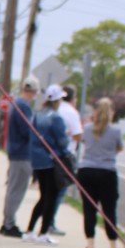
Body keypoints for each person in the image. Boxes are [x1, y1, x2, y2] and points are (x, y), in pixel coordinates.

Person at [23, 85, 71, 245]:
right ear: (58, 100)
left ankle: (30, 230)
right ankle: (43, 233)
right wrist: (66, 148)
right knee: (51, 197)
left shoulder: (37, 115)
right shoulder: (56, 118)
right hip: (52, 161)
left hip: (38, 161)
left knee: (44, 197)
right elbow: (62, 142)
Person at [78, 97, 124, 248]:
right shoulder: (116, 131)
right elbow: (119, 148)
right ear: (111, 112)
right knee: (109, 209)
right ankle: (113, 244)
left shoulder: (87, 129)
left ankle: (90, 243)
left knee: (89, 208)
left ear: (95, 112)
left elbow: (84, 142)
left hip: (87, 170)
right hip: (107, 171)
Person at [0, 74, 40, 237]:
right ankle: (8, 224)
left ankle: (8, 222)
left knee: (13, 188)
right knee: (17, 189)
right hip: (21, 154)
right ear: (34, 92)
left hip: (16, 152)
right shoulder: (23, 106)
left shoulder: (16, 103)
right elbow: (27, 130)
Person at [46, 82, 83, 234]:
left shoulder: (54, 110)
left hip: (48, 154)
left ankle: (46, 222)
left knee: (49, 191)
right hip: (64, 156)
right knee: (59, 191)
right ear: (73, 98)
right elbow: (78, 135)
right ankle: (49, 223)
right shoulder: (71, 112)